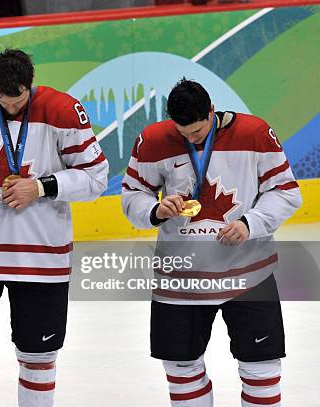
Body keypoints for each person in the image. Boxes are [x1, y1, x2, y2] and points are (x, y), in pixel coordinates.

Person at [0, 49, 108, 407]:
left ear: (31, 85)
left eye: (19, 100)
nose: (11, 108)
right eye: (2, 99)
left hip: (41, 260)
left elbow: (97, 177)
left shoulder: (63, 111)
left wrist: (41, 186)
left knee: (38, 359)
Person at [121, 79, 302, 406]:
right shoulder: (152, 140)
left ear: (212, 112)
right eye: (183, 133)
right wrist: (155, 209)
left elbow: (286, 192)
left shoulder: (256, 133)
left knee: (261, 369)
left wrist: (250, 223)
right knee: (181, 369)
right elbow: (133, 195)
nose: (190, 139)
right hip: (180, 279)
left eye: (197, 133)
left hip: (249, 275)